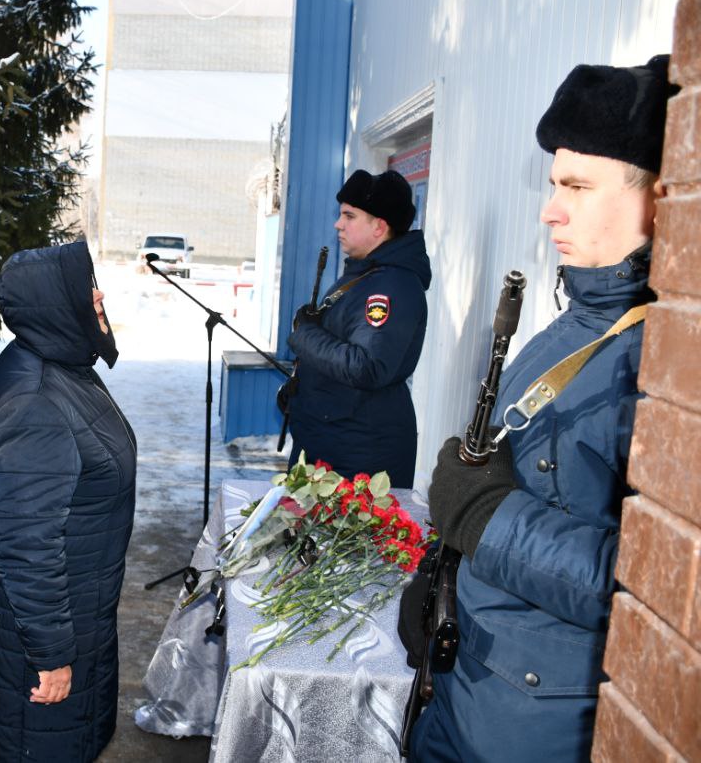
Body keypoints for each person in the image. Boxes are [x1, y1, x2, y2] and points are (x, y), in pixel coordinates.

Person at [409, 56, 674, 762]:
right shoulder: (573, 321)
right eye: (554, 184)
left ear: (661, 199)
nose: (549, 207)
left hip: (535, 732)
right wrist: (444, 571)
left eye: (578, 187)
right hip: (468, 692)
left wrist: (485, 518)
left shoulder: (668, 364)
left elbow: (653, 595)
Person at [0, 241, 136, 763]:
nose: (98, 295)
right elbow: (28, 545)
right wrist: (51, 656)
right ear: (53, 304)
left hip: (70, 609)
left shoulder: (60, 363)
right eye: (84, 286)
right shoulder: (35, 401)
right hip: (33, 639)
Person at [284, 169, 431, 488]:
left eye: (349, 216)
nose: (339, 224)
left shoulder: (392, 285)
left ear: (380, 226)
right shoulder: (365, 275)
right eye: (340, 215)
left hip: (358, 460)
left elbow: (367, 367)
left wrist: (305, 334)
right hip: (332, 444)